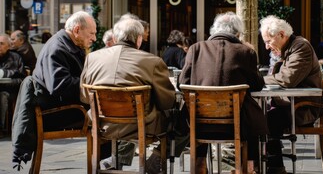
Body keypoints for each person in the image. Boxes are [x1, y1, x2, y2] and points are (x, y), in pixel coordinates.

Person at [80, 18, 188, 173]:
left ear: (115, 38)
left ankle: (114, 161)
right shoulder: (152, 61)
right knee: (185, 119)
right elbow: (167, 101)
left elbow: (84, 97)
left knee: (134, 116)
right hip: (141, 125)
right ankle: (157, 157)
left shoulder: (92, 58)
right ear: (138, 39)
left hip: (103, 125)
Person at [178, 11, 267, 174]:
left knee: (200, 109)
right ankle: (248, 167)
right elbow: (257, 85)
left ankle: (199, 164)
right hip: (237, 124)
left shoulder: (195, 49)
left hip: (199, 124)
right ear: (238, 33)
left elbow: (182, 83)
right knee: (254, 117)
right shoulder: (246, 52)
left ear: (214, 30)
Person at [12, 11, 97, 167]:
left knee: (105, 113)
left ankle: (104, 165)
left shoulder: (67, 44)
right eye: (91, 33)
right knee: (104, 119)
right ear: (77, 30)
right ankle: (104, 165)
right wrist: (89, 84)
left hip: (60, 107)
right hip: (56, 113)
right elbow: (60, 86)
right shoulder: (58, 48)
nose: (94, 38)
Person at [259, 15, 323, 174]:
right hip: (291, 103)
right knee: (259, 115)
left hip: (305, 107)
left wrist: (258, 79)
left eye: (268, 41)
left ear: (281, 35)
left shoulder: (300, 47)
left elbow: (287, 79)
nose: (267, 47)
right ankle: (263, 165)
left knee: (269, 119)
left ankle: (275, 168)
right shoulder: (286, 48)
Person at [0, 34, 26, 138]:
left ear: (9, 46)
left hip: (10, 90)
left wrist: (6, 78)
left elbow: (22, 79)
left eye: (1, 44)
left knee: (2, 96)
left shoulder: (15, 58)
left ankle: (1, 128)